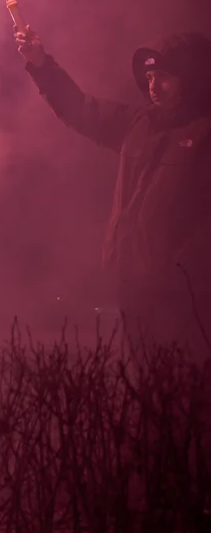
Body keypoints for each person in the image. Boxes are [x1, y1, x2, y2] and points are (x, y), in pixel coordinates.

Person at [16, 28, 211, 353]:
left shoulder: (205, 135)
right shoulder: (137, 123)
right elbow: (80, 109)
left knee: (185, 383)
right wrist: (40, 63)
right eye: (149, 75)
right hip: (133, 279)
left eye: (164, 76)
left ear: (189, 78)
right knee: (145, 377)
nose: (153, 85)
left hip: (183, 289)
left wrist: (187, 263)